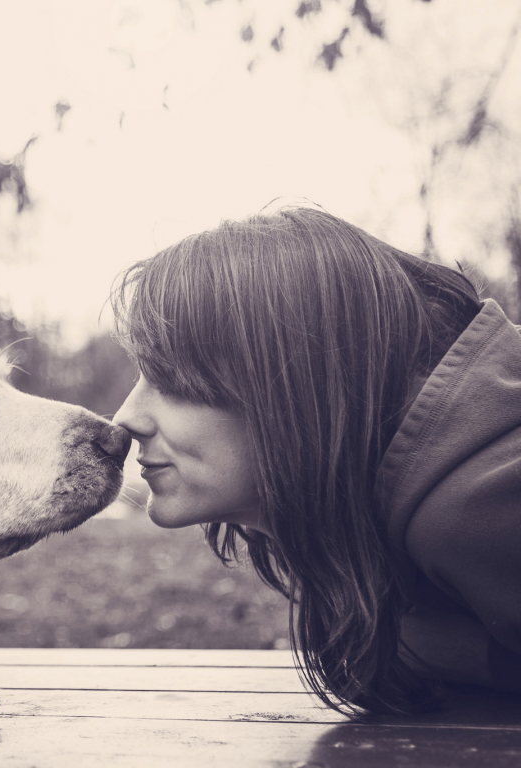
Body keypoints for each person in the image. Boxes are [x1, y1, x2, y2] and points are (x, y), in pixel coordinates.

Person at [111, 205, 521, 714]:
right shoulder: (397, 493)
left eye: (170, 380)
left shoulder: (481, 501)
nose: (124, 418)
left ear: (289, 388)